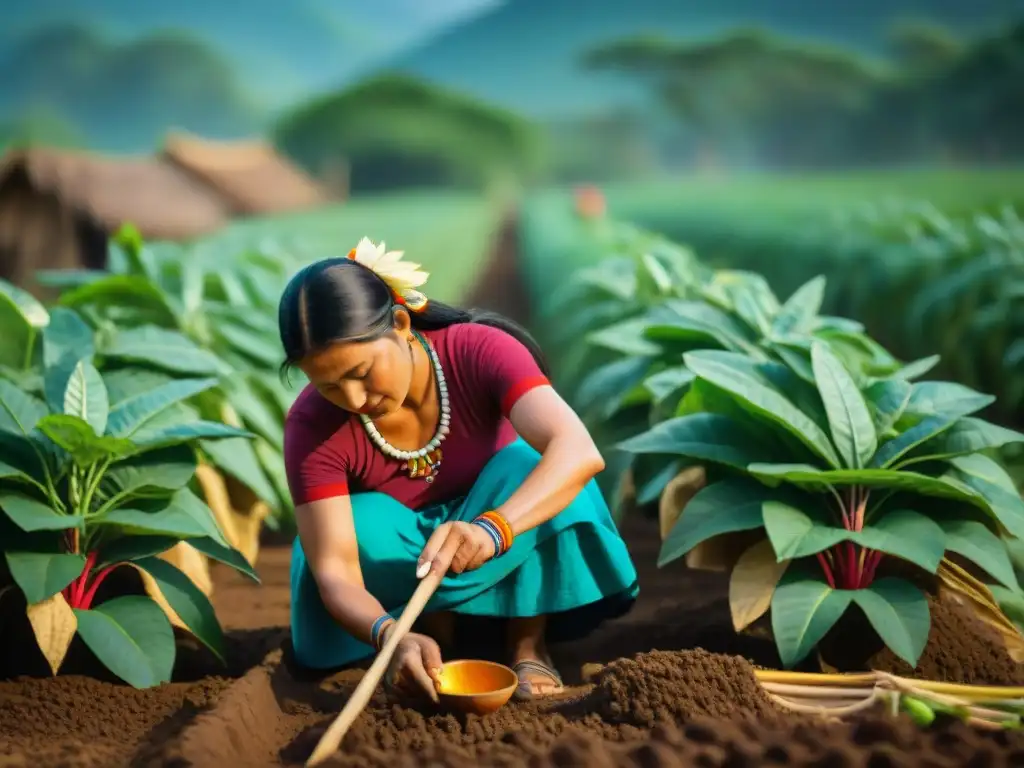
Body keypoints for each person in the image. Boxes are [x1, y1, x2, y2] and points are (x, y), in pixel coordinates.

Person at [278, 237, 639, 702]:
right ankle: (429, 639)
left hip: (498, 541)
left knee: (530, 465)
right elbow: (335, 573)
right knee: (358, 524)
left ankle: (526, 641)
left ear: (402, 325)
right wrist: (389, 635)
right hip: (407, 569)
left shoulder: (479, 350)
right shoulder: (311, 425)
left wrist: (492, 530)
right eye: (328, 386)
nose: (352, 399)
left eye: (362, 373)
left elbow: (577, 450)